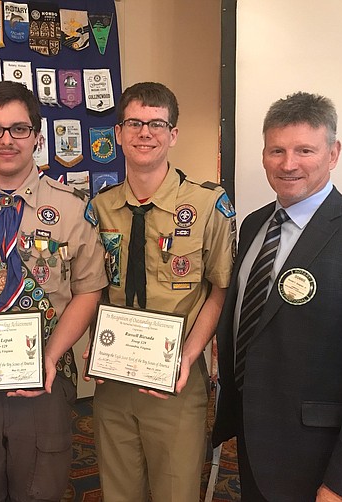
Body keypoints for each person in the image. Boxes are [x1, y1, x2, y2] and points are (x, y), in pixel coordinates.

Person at [212, 92, 342, 501]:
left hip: (323, 463)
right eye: (277, 150)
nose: (288, 164)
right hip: (256, 445)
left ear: (333, 152)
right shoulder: (254, 226)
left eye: (305, 150)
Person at [0, 80, 107, 502]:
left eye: (18, 129)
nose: (6, 140)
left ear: (37, 136)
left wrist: (50, 355)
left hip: (43, 377)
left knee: (38, 489)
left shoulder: (71, 204)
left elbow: (88, 289)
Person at [89, 82, 236, 501]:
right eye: (134, 122)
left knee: (176, 491)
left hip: (178, 376)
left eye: (157, 124)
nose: (145, 132)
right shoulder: (100, 208)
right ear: (118, 133)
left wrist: (188, 357)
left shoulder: (208, 204)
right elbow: (95, 289)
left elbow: (219, 292)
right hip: (114, 377)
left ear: (173, 134)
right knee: (119, 491)